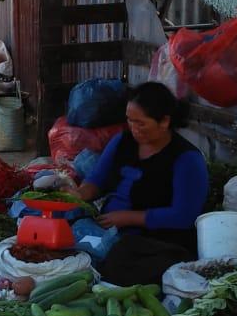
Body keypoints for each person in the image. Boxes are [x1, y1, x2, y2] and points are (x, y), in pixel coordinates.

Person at [67, 82, 210, 286]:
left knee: (120, 265)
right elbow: (97, 180)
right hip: (110, 229)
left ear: (164, 122)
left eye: (141, 123)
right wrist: (79, 195)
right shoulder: (122, 141)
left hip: (157, 240)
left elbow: (183, 216)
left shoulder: (187, 159)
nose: (133, 129)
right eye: (129, 121)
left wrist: (129, 218)